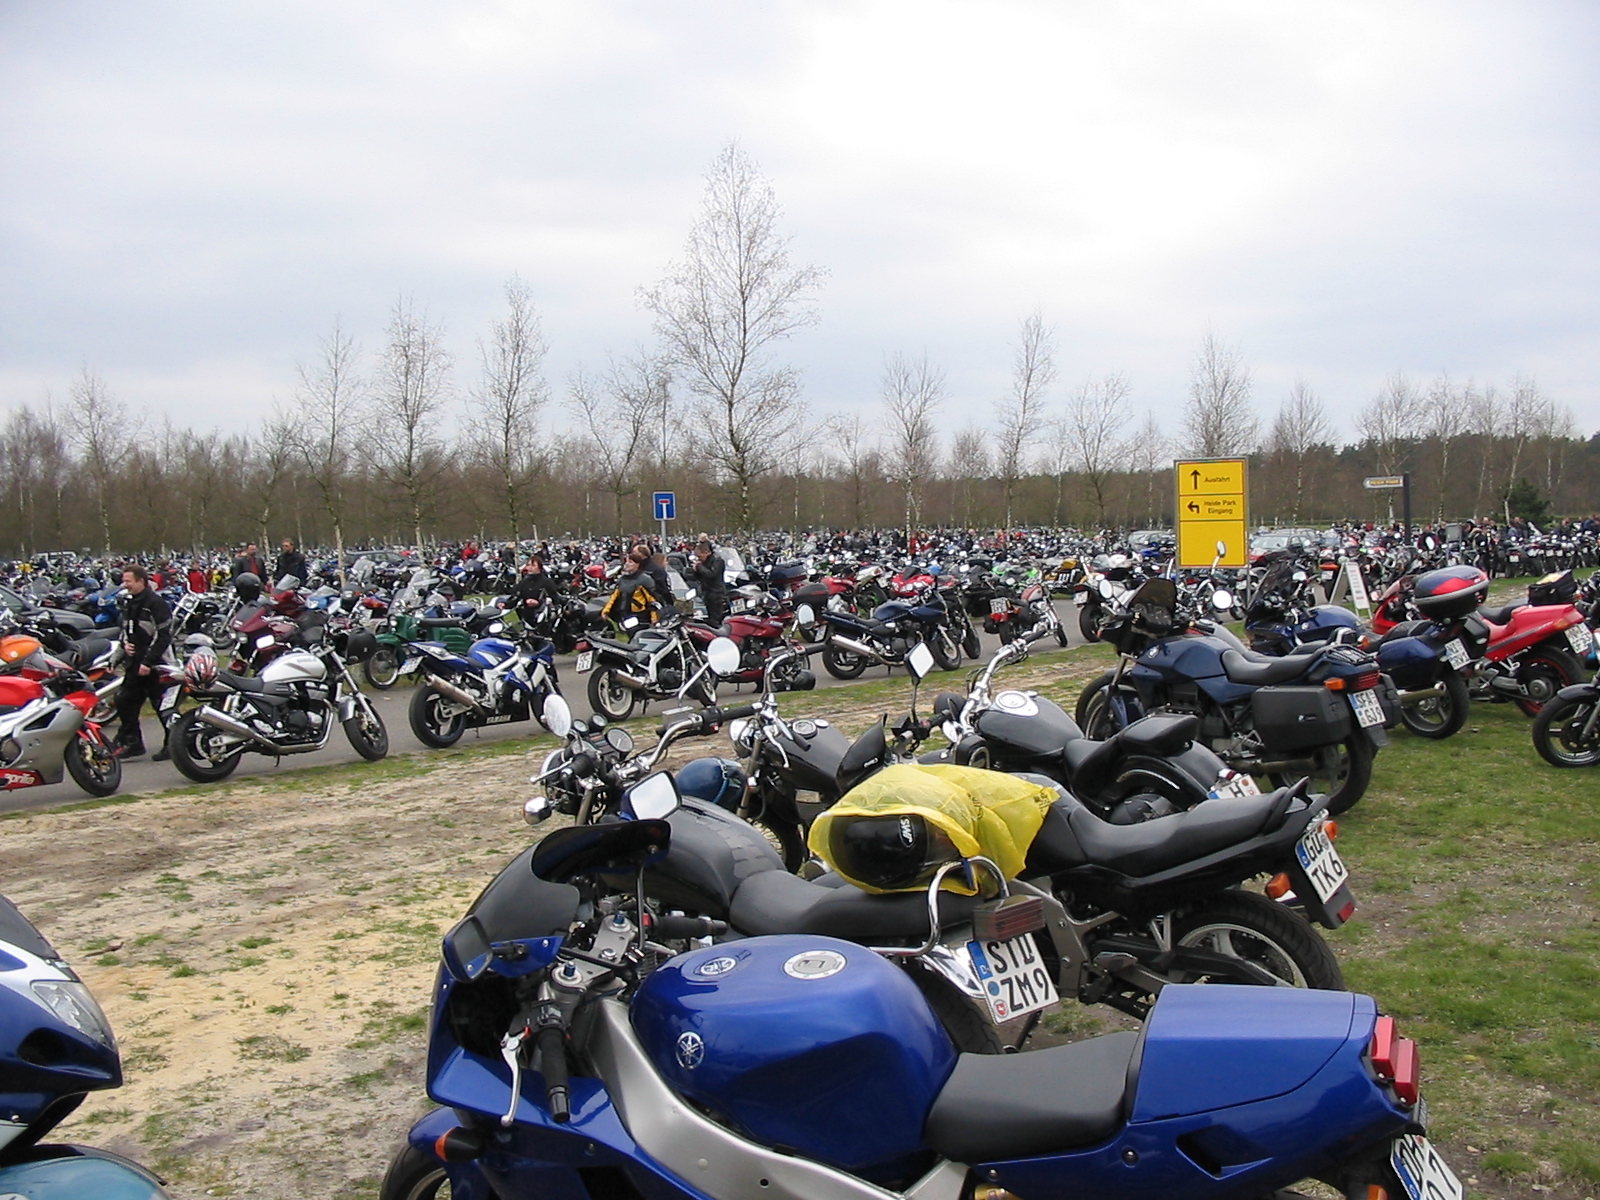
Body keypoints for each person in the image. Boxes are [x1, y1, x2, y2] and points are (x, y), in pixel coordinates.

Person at [114, 565, 174, 761]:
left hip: (157, 664)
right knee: (124, 700)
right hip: (135, 662)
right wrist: (125, 647)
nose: (125, 585)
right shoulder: (130, 602)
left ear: (141, 581)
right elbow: (127, 629)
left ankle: (174, 743)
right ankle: (133, 741)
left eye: (128, 581)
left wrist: (148, 661)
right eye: (124, 581)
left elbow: (164, 635)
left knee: (161, 704)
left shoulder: (156, 603)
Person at [602, 547, 660, 632]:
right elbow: (614, 596)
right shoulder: (622, 579)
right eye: (626, 562)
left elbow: (652, 601)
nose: (627, 564)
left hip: (640, 616)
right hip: (624, 614)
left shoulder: (644, 579)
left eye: (630, 562)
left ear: (637, 564)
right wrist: (606, 611)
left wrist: (654, 618)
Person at [511, 555, 564, 631]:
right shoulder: (524, 581)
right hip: (526, 616)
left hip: (543, 620)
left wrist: (539, 603)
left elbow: (555, 599)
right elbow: (516, 595)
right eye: (528, 565)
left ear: (539, 567)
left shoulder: (547, 582)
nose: (530, 567)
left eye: (533, 565)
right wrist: (505, 604)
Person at [690, 539, 729, 624]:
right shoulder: (703, 563)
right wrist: (695, 570)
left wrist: (699, 566)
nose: (699, 559)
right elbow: (698, 578)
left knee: (716, 618)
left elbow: (711, 574)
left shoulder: (717, 561)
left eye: (700, 556)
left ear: (706, 552)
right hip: (707, 592)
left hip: (716, 593)